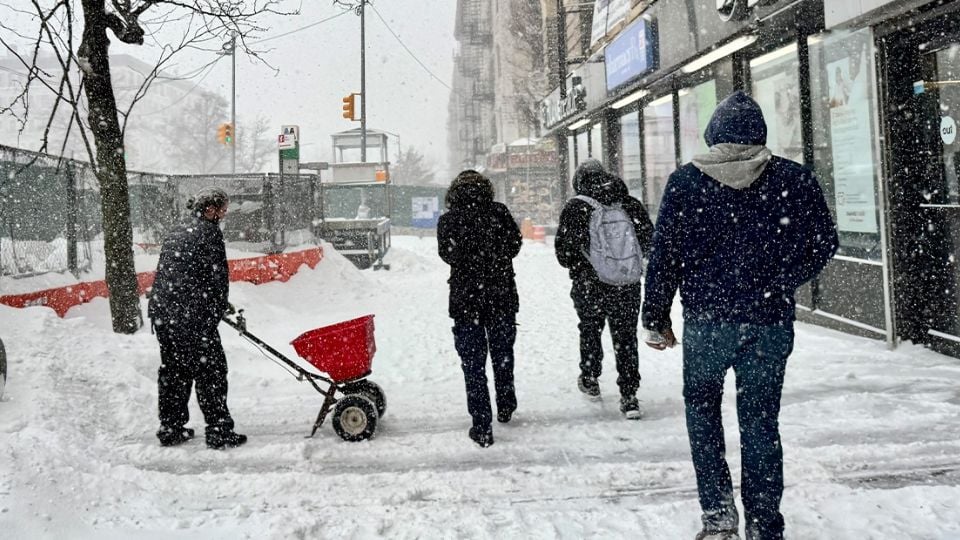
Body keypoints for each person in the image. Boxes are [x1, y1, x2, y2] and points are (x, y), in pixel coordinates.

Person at [642, 91, 838, 540]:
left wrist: (656, 316)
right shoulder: (792, 178)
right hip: (769, 322)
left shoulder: (686, 182)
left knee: (702, 411)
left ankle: (718, 517)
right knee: (761, 422)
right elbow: (825, 241)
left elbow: (664, 256)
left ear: (714, 136)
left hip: (708, 321)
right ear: (760, 134)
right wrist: (783, 278)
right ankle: (765, 525)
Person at [148, 187, 247, 450]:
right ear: (210, 209)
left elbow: (174, 274)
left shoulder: (178, 229)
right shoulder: (209, 232)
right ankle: (218, 430)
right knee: (212, 370)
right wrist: (215, 309)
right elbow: (217, 278)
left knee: (175, 371)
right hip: (191, 317)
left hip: (164, 314)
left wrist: (210, 305)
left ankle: (170, 428)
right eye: (222, 210)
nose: (223, 215)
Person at [555, 159, 654, 419]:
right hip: (627, 283)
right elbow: (649, 241)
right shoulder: (629, 203)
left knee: (590, 329)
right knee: (625, 338)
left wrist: (585, 263)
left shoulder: (576, 208)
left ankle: (590, 377)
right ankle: (629, 396)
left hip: (590, 284)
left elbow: (563, 254)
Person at [438, 170, 522, 448]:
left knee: (473, 365)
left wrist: (469, 257)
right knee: (502, 355)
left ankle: (482, 424)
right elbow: (514, 246)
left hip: (465, 301)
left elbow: (446, 254)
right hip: (501, 297)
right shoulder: (499, 212)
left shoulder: (448, 220)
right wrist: (493, 257)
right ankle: (506, 403)